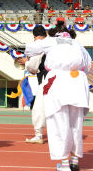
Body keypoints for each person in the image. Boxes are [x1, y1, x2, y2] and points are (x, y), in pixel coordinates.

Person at [24, 21, 92, 171]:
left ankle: (65, 164)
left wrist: (39, 42)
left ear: (54, 32)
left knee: (58, 122)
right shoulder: (77, 43)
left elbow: (29, 49)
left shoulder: (51, 40)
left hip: (57, 81)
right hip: (77, 81)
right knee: (76, 124)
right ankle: (74, 160)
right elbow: (88, 66)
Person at [17, 26, 48, 144]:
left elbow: (33, 67)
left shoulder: (38, 45)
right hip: (61, 79)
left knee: (39, 109)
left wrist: (26, 62)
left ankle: (38, 135)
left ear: (35, 36)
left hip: (47, 79)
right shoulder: (54, 43)